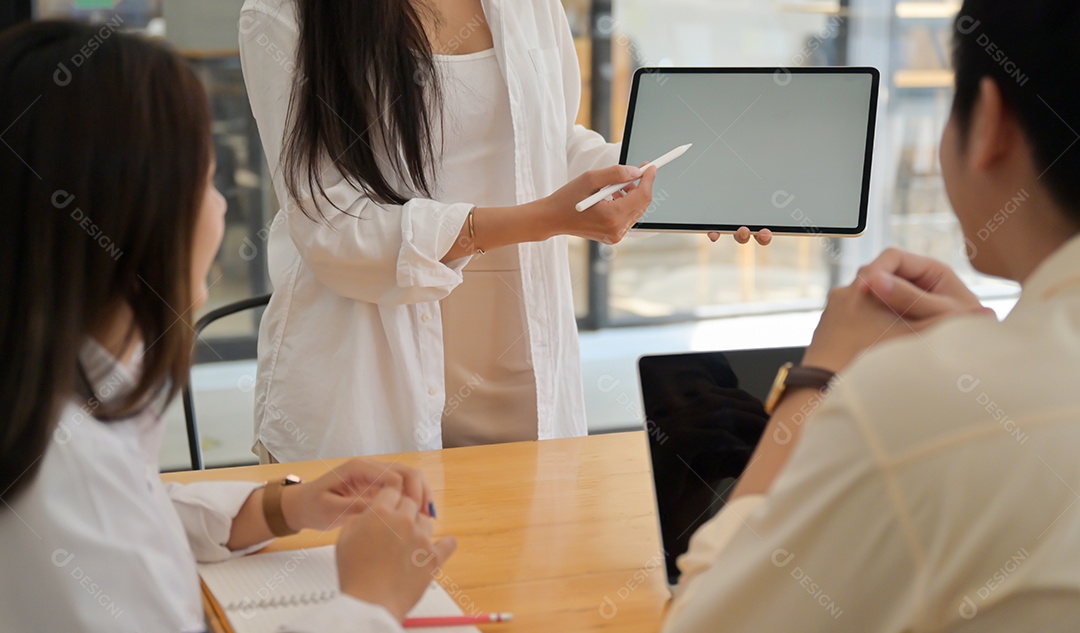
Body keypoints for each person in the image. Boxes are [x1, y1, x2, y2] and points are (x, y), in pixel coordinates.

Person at [0, 22, 452, 632]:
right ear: (139, 211)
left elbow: (136, 512)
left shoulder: (46, 400)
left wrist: (282, 505)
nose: (219, 208)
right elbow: (103, 517)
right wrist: (369, 603)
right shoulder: (64, 476)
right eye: (206, 180)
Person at [662, 0, 1080, 631]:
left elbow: (703, 623)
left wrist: (817, 378)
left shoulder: (904, 401)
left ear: (990, 121)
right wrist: (996, 347)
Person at [239, 0, 773, 462]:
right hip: (366, 388)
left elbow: (549, 144)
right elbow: (332, 227)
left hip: (522, 371)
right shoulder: (287, 15)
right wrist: (546, 218)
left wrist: (692, 186)